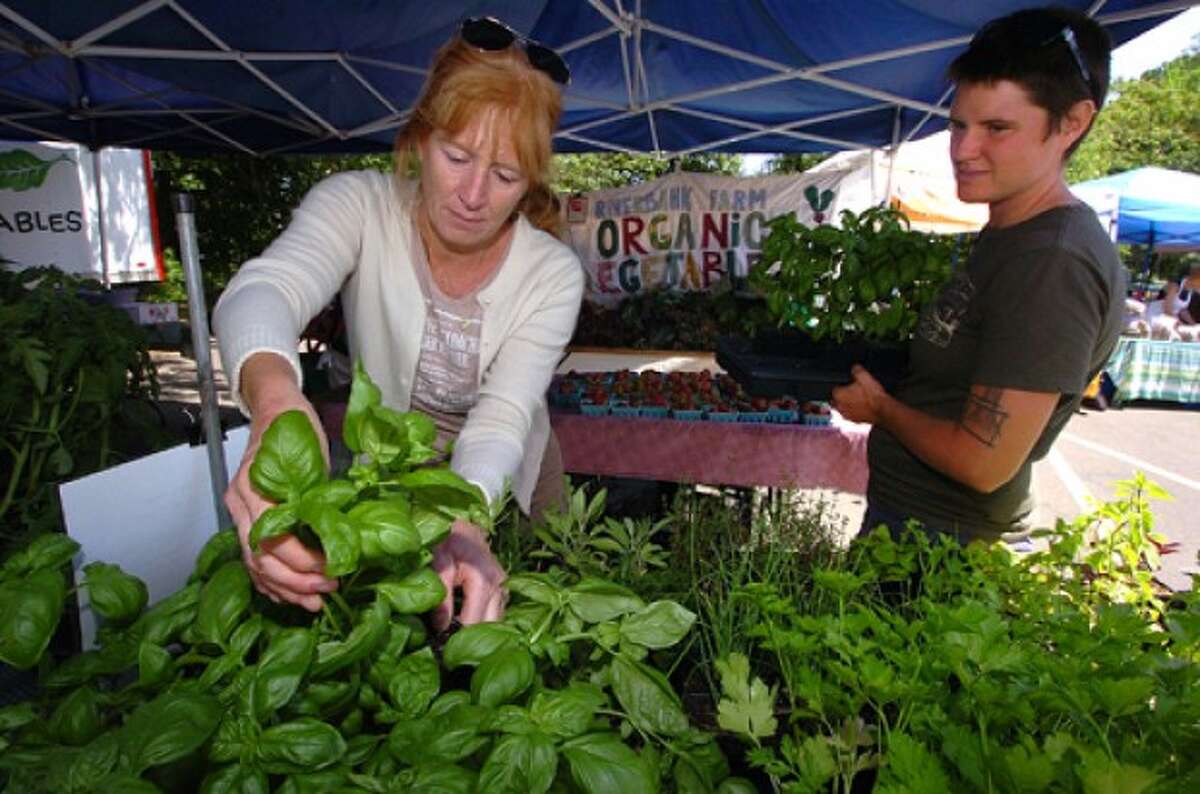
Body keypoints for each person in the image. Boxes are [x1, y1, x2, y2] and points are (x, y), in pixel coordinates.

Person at [213, 17, 583, 626]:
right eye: (457, 156)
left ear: (530, 185)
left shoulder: (553, 273)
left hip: (513, 470)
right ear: (419, 139)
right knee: (396, 623)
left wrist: (465, 519)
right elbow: (262, 290)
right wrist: (276, 403)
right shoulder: (357, 206)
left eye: (505, 175)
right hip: (392, 463)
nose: (472, 195)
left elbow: (502, 417)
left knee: (537, 610)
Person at [831, 6, 1125, 546]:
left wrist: (882, 410)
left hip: (948, 551)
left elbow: (982, 461)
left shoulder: (1052, 261)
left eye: (997, 128)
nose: (964, 151)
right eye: (958, 125)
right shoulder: (1010, 234)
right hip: (913, 531)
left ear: (1073, 123)